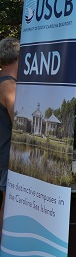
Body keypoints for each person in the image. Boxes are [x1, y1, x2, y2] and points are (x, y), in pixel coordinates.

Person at [0, 37, 19, 238]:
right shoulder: (10, 87)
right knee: (8, 205)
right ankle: (5, 254)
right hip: (7, 157)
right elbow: (19, 126)